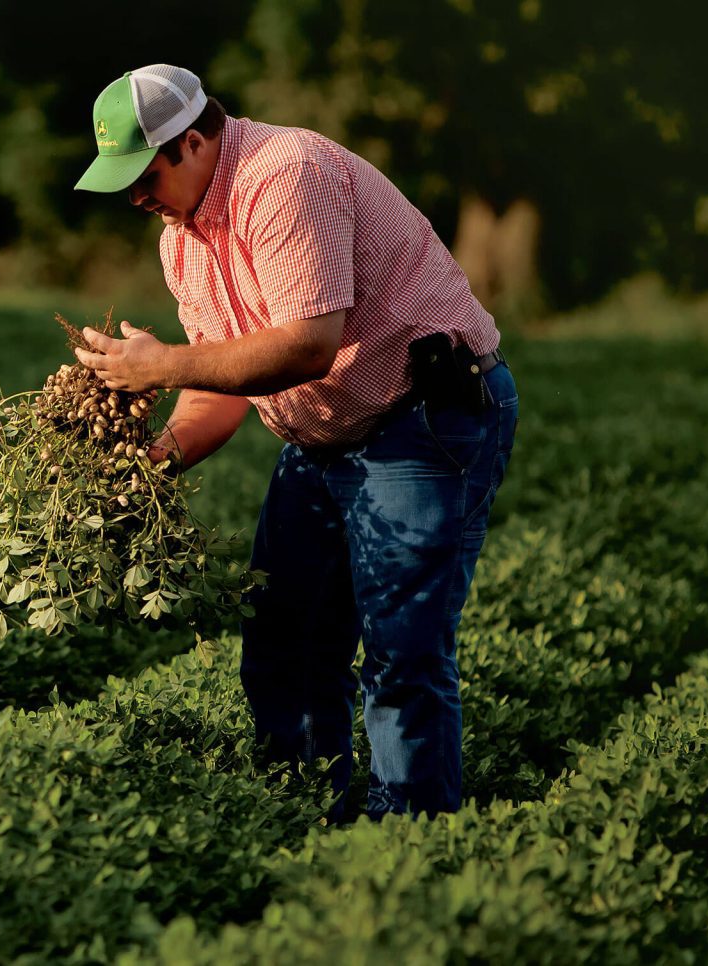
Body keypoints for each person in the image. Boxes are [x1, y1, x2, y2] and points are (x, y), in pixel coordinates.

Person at [70, 65, 519, 819]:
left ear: (194, 142)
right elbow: (218, 387)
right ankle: (307, 811)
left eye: (142, 174)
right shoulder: (181, 241)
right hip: (322, 435)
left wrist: (163, 363)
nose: (135, 197)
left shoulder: (286, 175)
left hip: (421, 417)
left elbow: (309, 345)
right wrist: (154, 461)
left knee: (401, 652)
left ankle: (410, 836)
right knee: (285, 635)